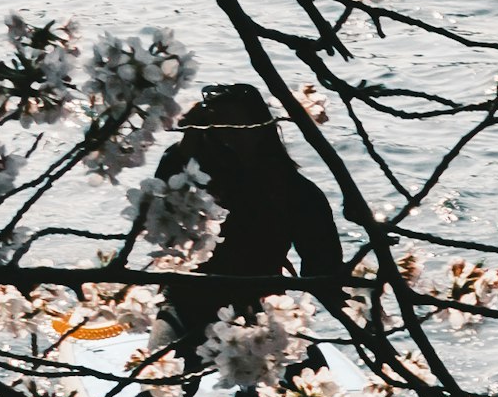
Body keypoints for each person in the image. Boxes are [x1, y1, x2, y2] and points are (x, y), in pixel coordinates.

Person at [141, 82, 351, 374]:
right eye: (217, 130)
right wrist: (188, 141)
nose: (228, 140)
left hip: (259, 308)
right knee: (163, 388)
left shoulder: (296, 193)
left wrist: (362, 316)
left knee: (306, 381)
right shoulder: (183, 169)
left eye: (237, 129)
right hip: (187, 300)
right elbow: (158, 221)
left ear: (262, 130)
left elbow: (322, 269)